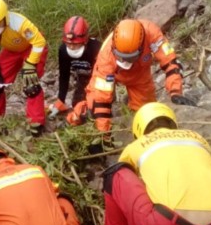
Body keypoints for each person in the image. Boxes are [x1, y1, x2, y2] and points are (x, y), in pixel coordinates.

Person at [67, 19, 195, 137]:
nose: (125, 61)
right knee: (93, 105)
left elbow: (171, 62)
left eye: (129, 58)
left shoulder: (151, 34)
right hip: (112, 72)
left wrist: (175, 91)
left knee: (146, 112)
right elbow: (101, 100)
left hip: (139, 75)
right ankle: (74, 118)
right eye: (121, 57)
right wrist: (104, 136)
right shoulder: (106, 58)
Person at [0, 0, 48, 136]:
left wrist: (30, 63)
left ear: (4, 17)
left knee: (31, 83)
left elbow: (39, 42)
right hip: (11, 50)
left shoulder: (19, 23)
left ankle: (36, 123)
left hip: (32, 47)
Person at [49, 16, 101, 117]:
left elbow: (105, 72)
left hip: (98, 79)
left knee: (97, 108)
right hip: (82, 79)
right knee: (77, 108)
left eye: (76, 44)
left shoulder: (96, 49)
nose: (72, 47)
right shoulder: (63, 51)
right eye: (68, 44)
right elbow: (64, 76)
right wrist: (61, 100)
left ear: (85, 40)